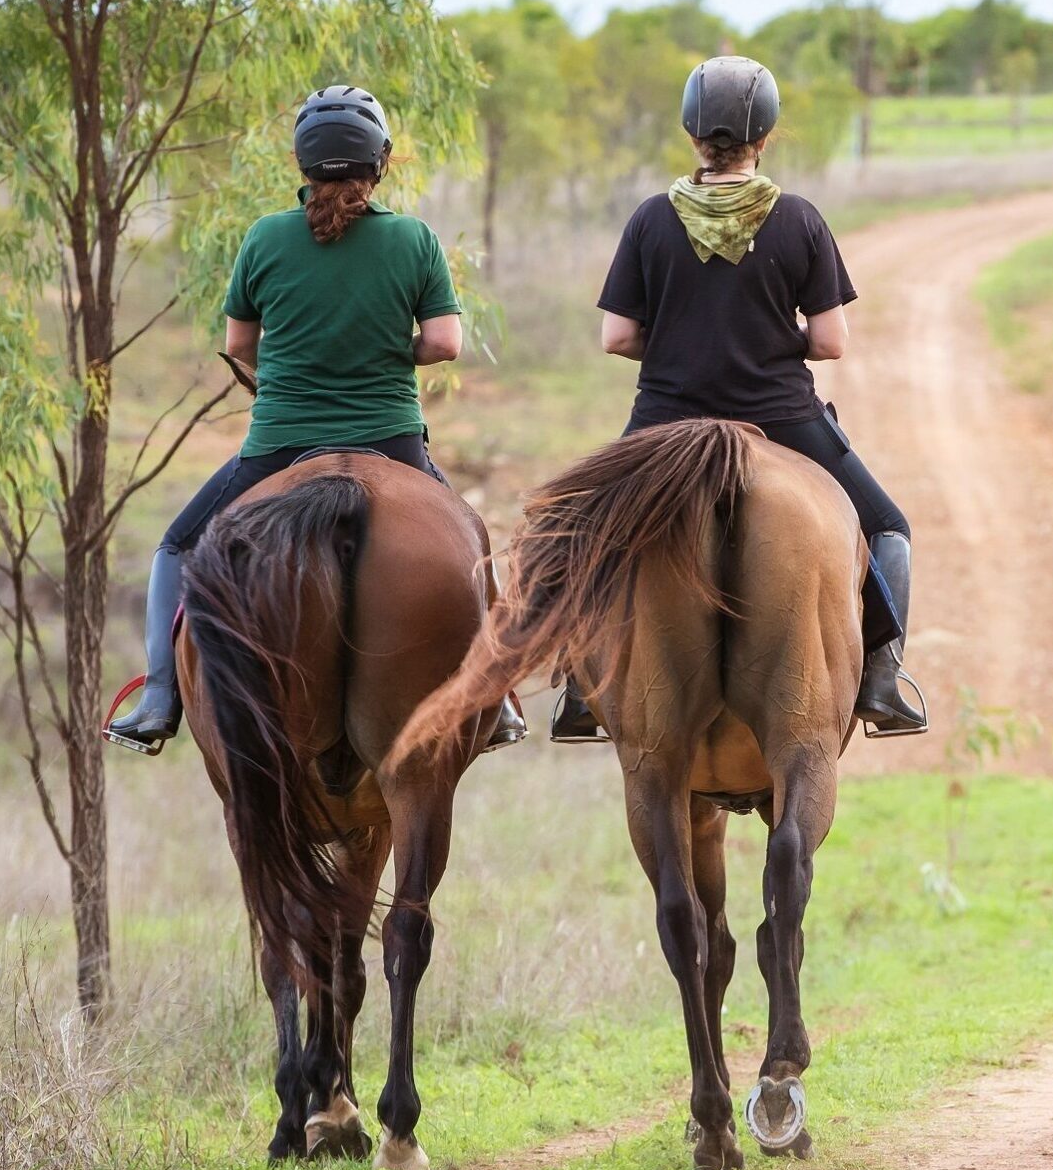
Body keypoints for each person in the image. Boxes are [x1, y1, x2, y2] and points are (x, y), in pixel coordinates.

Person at [105, 85, 527, 754]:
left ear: (302, 163)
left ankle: (159, 696)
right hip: (392, 441)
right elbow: (445, 344)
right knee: (470, 546)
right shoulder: (413, 238)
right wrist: (389, 349)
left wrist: (290, 367)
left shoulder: (265, 237)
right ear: (379, 162)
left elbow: (240, 345)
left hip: (280, 443)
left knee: (176, 548)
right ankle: (498, 697)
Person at [548, 55, 926, 742]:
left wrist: (674, 344)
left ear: (692, 133)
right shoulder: (800, 220)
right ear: (766, 136)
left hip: (665, 419)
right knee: (888, 528)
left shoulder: (650, 220)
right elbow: (833, 343)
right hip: (781, 419)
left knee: (577, 528)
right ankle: (879, 680)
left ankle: (578, 687)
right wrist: (777, 337)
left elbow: (616, 336)